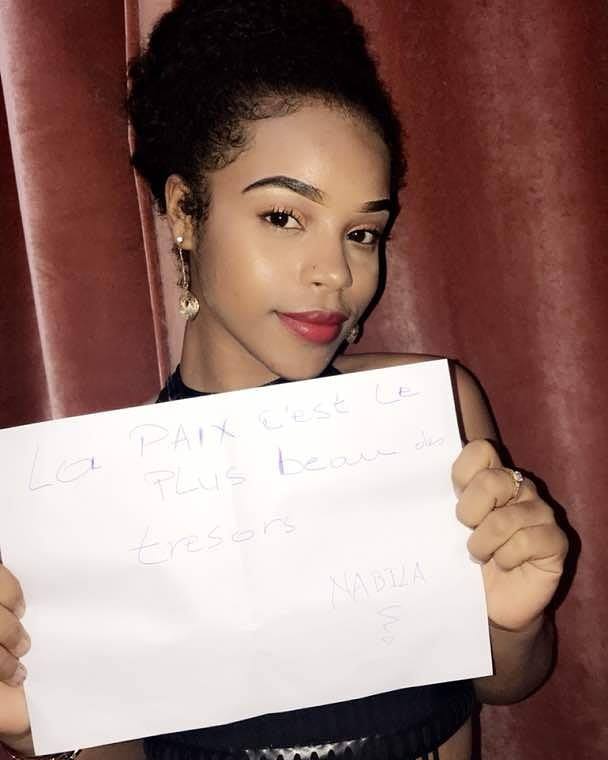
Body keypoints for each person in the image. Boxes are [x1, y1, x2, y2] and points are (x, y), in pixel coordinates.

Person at [0, 1, 568, 759]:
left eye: (362, 232)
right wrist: (41, 727)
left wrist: (514, 621)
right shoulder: (101, 504)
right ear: (185, 211)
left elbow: (507, 684)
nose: (337, 271)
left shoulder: (438, 410)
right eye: (283, 217)